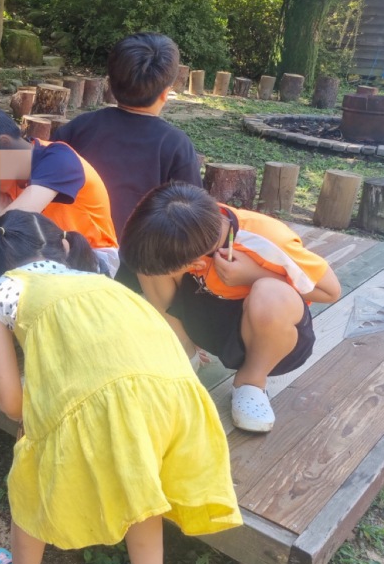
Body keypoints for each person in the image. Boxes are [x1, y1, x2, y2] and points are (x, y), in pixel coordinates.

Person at [0, 210, 241, 564]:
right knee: (142, 486)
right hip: (178, 397)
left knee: (29, 476)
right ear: (66, 246)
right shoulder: (100, 279)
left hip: (115, 400)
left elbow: (12, 403)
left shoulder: (2, 288)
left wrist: (35, 420)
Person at [121, 182, 341, 433]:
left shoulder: (265, 238)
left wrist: (252, 275)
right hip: (207, 316)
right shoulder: (183, 227)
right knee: (150, 263)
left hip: (267, 338)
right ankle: (184, 350)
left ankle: (251, 382)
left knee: (270, 292)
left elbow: (331, 291)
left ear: (195, 262)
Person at [0, 103, 117, 322]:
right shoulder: (12, 171)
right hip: (42, 253)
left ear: (4, 145)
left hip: (89, 262)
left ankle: (4, 298)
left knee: (4, 225)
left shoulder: (59, 159)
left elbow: (11, 226)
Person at [52, 32, 201, 238]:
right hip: (139, 255)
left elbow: (37, 177)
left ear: (110, 84)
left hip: (70, 247)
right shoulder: (176, 145)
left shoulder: (78, 128)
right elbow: (193, 216)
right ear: (166, 93)